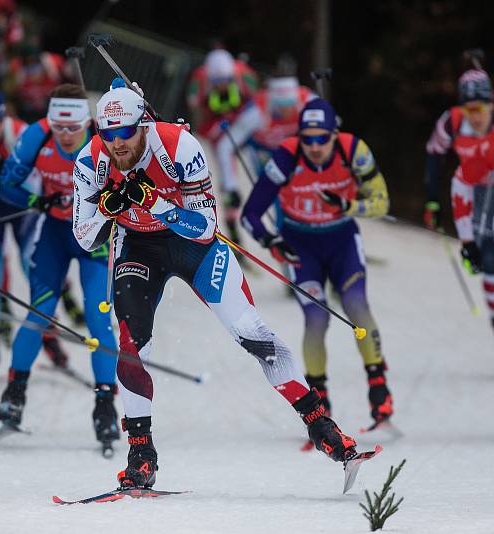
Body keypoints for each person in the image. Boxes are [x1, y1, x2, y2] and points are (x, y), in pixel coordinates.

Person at [73, 80, 358, 489]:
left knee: (250, 332)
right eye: (107, 134)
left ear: (144, 124)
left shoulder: (180, 148)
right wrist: (106, 208)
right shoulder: (91, 161)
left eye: (126, 133)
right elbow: (85, 237)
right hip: (137, 247)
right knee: (132, 345)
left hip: (193, 246)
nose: (117, 143)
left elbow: (205, 229)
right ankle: (141, 454)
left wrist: (155, 203)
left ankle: (320, 424)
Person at [241, 98, 394, 429]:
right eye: (307, 138)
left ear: (334, 134)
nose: (313, 146)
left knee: (356, 306)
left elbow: (382, 203)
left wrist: (348, 204)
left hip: (341, 242)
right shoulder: (287, 155)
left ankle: (379, 385)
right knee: (316, 319)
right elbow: (250, 213)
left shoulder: (353, 150)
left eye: (321, 138)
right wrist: (271, 240)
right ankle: (319, 397)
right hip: (300, 246)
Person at [0, 83, 120, 451]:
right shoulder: (37, 135)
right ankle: (14, 392)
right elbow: (7, 184)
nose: (66, 136)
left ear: (88, 122)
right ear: (50, 121)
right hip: (53, 233)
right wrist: (37, 198)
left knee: (99, 320)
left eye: (74, 128)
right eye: (59, 127)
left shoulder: (103, 138)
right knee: (39, 312)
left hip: (93, 236)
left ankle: (105, 406)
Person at [0, 87, 70, 378]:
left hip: (22, 211)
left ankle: (49, 335)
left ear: (2, 120)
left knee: (31, 268)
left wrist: (12, 171)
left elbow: (49, 161)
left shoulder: (19, 132)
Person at [187, 48, 260, 241]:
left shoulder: (243, 74)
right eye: (216, 83)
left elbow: (258, 102)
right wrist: (212, 128)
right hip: (220, 127)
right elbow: (197, 115)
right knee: (224, 155)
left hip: (242, 123)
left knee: (229, 149)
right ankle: (231, 214)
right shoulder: (199, 80)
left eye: (226, 81)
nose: (222, 86)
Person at [424, 69, 494, 230]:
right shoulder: (451, 122)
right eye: (469, 110)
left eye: (480, 109)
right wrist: (432, 200)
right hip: (473, 189)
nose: (475, 117)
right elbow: (434, 156)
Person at [454, 120, 494, 329]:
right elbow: (460, 182)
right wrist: (468, 240)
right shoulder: (484, 149)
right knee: (488, 262)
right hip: (484, 219)